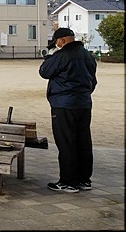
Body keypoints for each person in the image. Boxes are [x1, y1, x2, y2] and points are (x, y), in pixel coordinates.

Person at [39, 27, 97, 193]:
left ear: (62, 40)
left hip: (63, 104)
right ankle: (84, 180)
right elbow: (93, 81)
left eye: (56, 42)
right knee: (83, 141)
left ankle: (68, 182)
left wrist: (50, 56)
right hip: (84, 103)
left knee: (66, 143)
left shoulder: (61, 55)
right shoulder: (87, 55)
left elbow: (44, 72)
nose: (56, 45)